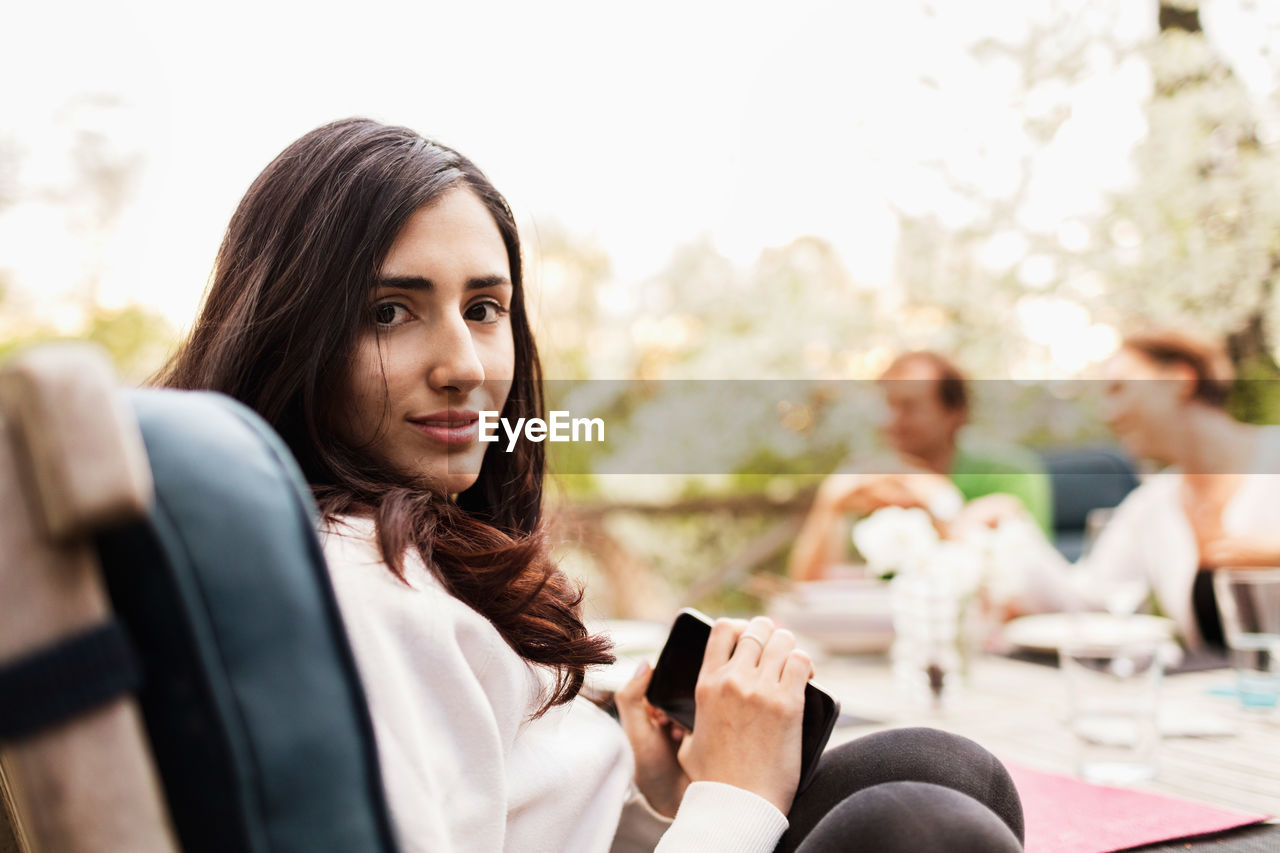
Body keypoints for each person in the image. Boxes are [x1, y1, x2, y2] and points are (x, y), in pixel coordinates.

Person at [158, 118, 1024, 852]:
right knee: (924, 823)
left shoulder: (393, 544)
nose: (463, 365)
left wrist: (643, 778)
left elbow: (506, 808)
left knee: (952, 768)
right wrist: (733, 798)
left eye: (483, 308)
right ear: (291, 333)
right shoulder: (359, 594)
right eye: (390, 311)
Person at [967, 330, 1280, 650]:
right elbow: (1084, 600)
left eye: (1118, 389)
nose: (1108, 413)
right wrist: (1013, 527)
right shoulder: (1153, 502)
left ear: (1179, 381)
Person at [789, 351, 1052, 582]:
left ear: (955, 413)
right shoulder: (872, 481)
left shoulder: (1011, 472)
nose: (892, 421)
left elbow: (1029, 579)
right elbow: (807, 588)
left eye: (909, 407)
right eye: (887, 406)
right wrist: (829, 503)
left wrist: (936, 499)